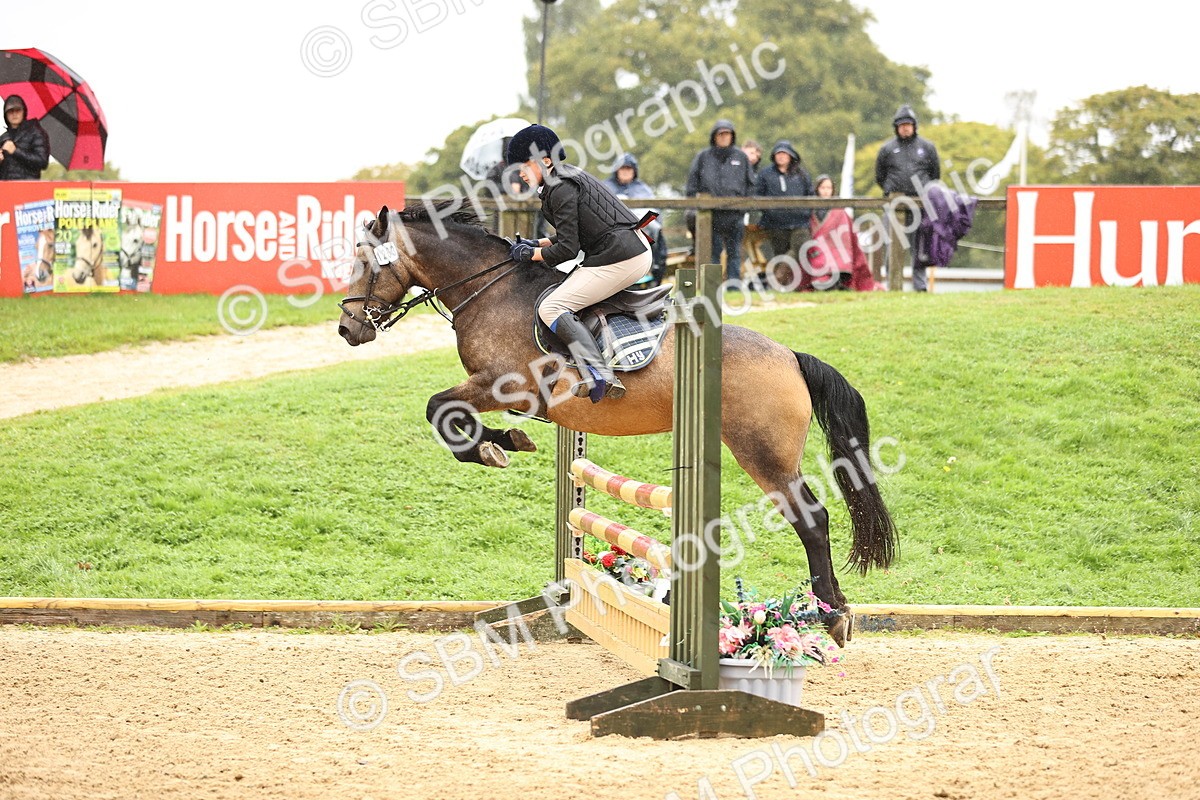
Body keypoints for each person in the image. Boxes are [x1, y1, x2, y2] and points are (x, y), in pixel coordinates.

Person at [506, 124, 654, 403]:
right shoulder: (562, 179)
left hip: (622, 256)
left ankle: (601, 373)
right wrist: (536, 244)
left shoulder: (559, 187)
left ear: (545, 161)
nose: (521, 174)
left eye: (523, 167)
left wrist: (531, 256)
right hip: (621, 250)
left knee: (552, 307)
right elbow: (570, 235)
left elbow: (567, 249)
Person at [875, 104, 940, 291]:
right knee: (892, 245)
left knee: (920, 247)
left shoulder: (927, 148)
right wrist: (892, 189)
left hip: (920, 204)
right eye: (902, 124)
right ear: (896, 127)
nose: (905, 127)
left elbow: (935, 174)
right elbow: (880, 176)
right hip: (894, 204)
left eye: (908, 124)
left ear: (914, 126)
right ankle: (893, 285)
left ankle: (920, 287)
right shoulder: (887, 149)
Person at [684, 119, 755, 284]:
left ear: (732, 136)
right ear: (714, 136)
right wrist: (695, 206)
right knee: (713, 252)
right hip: (710, 215)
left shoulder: (741, 157)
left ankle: (733, 285)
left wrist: (743, 209)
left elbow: (751, 185)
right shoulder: (703, 157)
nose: (724, 137)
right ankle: (712, 286)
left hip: (735, 214)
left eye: (727, 134)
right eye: (721, 134)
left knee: (734, 252)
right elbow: (692, 184)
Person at [753, 141, 814, 288]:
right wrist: (769, 212)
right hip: (775, 223)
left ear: (791, 156)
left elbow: (810, 194)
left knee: (802, 247)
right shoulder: (765, 174)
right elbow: (758, 196)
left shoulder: (802, 174)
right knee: (780, 255)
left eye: (784, 154)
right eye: (778, 154)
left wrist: (806, 212)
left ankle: (775, 281)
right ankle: (783, 288)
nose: (781, 157)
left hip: (800, 222)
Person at [602, 153, 667, 287]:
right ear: (616, 170)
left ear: (634, 171)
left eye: (629, 169)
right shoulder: (605, 186)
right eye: (622, 169)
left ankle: (651, 268)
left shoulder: (643, 189)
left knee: (655, 229)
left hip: (642, 229)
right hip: (613, 228)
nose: (625, 172)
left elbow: (655, 212)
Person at [809, 174, 879, 292]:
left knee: (839, 258)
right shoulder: (810, 210)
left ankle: (837, 281)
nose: (826, 191)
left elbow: (847, 235)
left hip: (837, 250)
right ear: (817, 189)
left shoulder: (839, 210)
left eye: (829, 188)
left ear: (833, 190)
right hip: (817, 250)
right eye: (823, 188)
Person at [0, 95, 50, 181]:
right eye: (10, 111)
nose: (14, 114)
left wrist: (15, 151)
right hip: (5, 189)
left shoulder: (36, 132)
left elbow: (42, 162)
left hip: (27, 188)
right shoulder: (3, 138)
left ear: (24, 112)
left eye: (18, 110)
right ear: (6, 114)